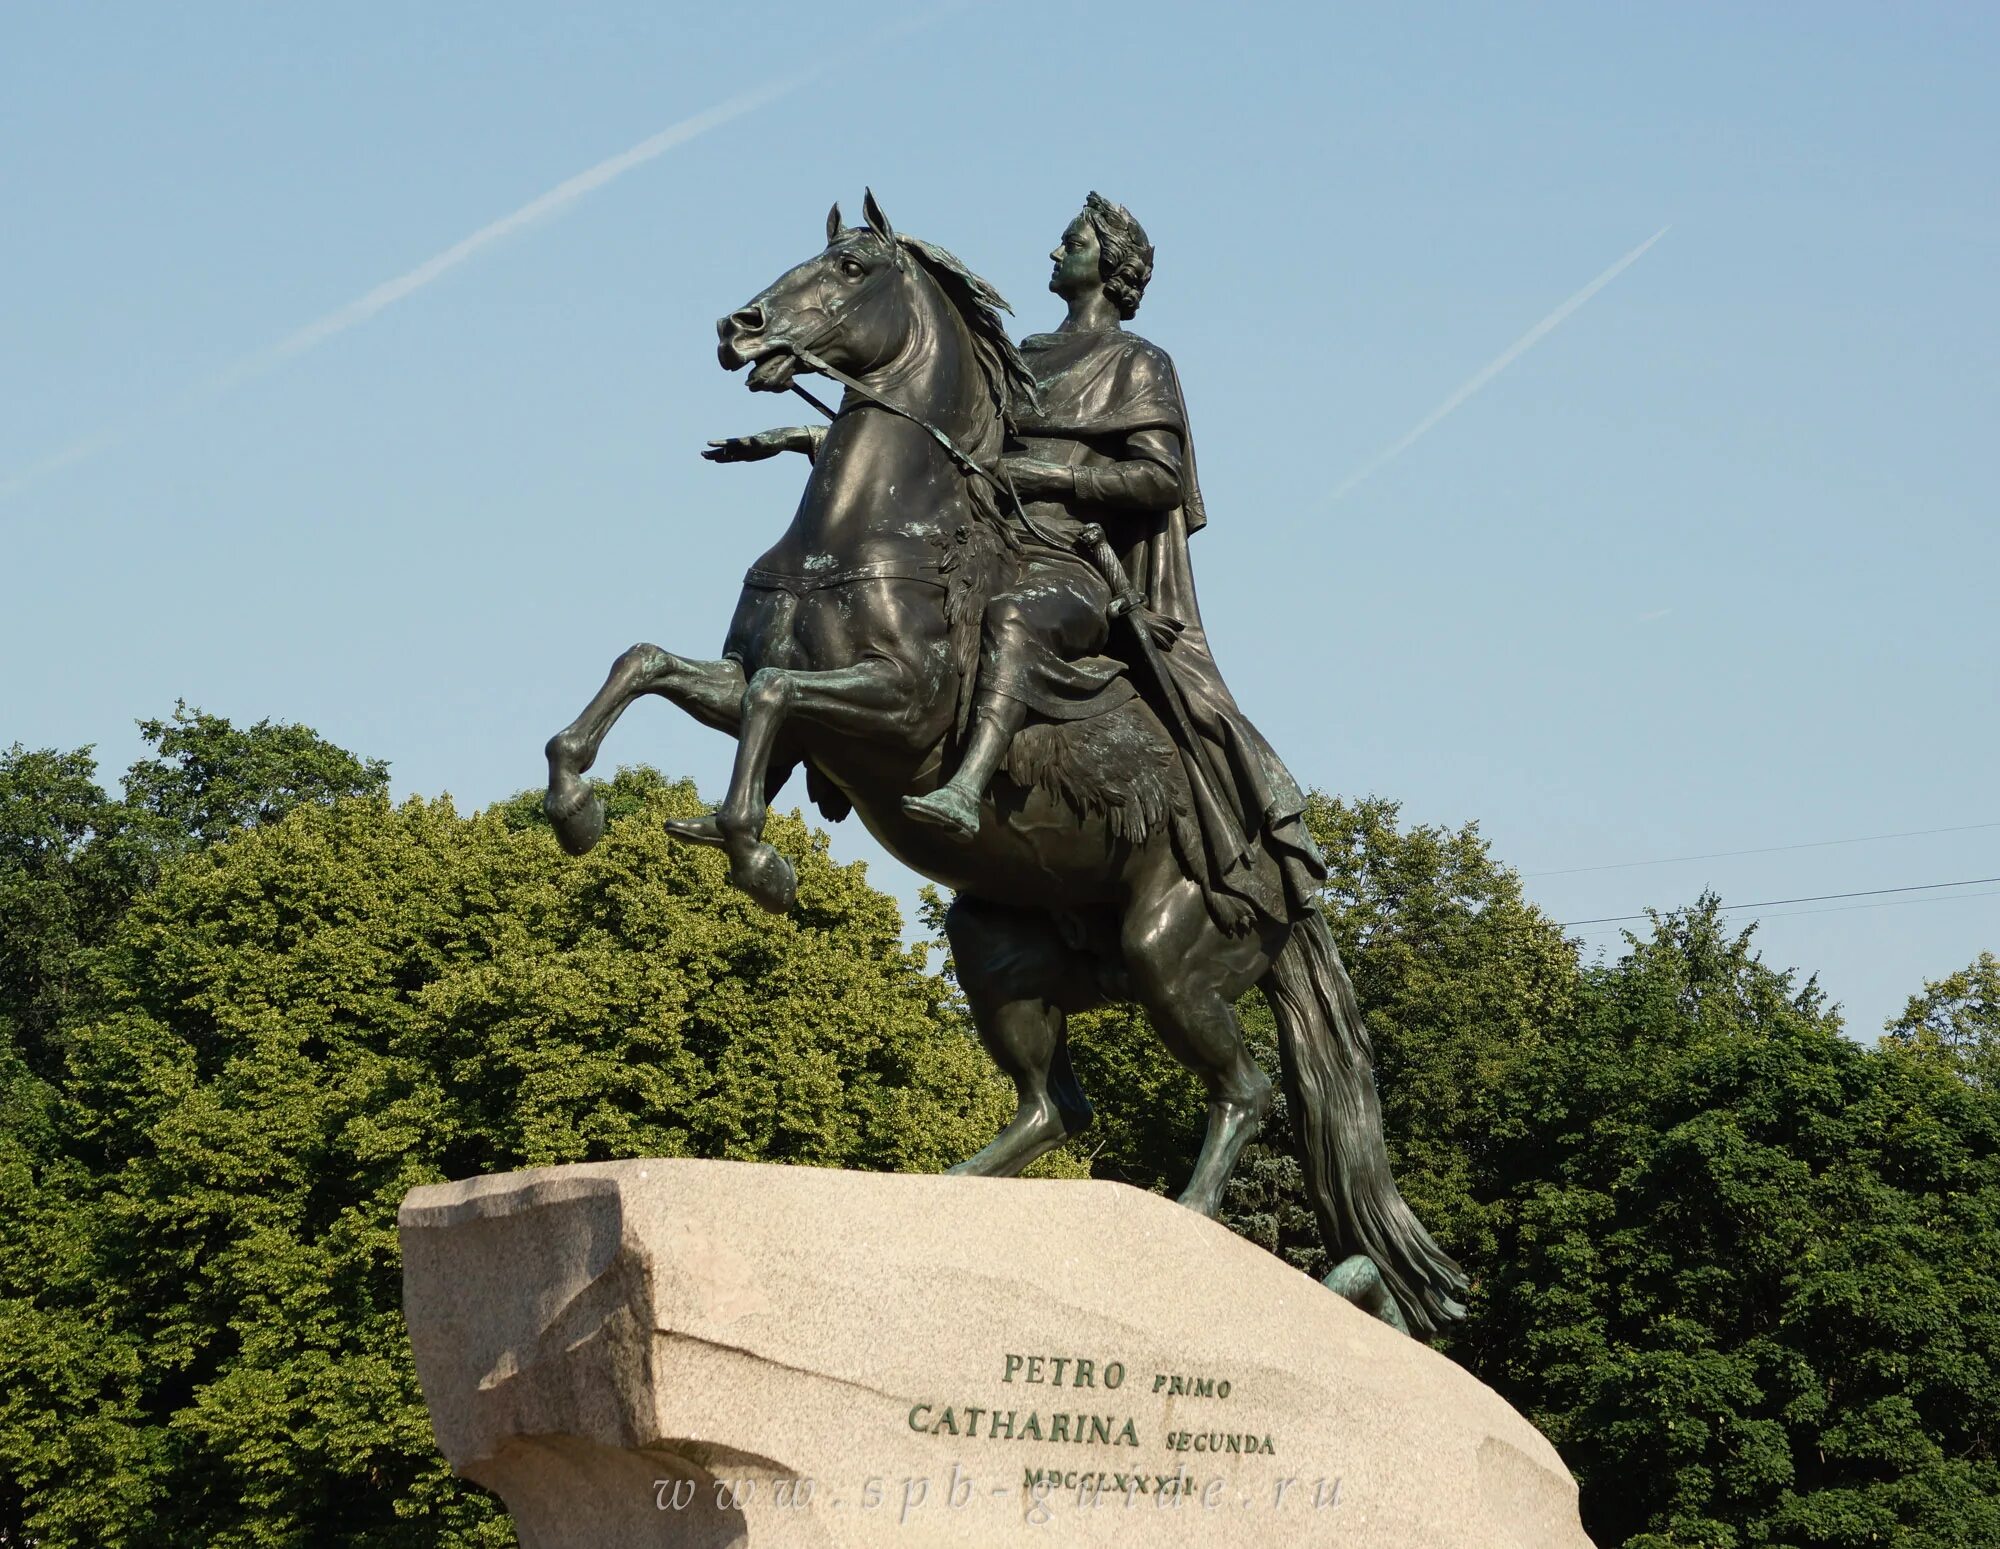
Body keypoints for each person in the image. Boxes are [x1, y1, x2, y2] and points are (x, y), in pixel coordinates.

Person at [710, 194, 1325, 925]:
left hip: (1070, 563)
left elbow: (1161, 479)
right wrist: (802, 439)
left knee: (1011, 616)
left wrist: (1057, 477)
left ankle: (966, 786)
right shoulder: (1025, 354)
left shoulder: (1137, 362)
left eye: (1073, 243)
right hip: (988, 540)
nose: (1056, 254)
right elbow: (946, 447)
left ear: (1113, 267)